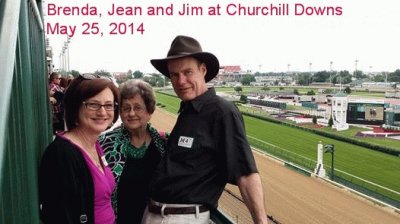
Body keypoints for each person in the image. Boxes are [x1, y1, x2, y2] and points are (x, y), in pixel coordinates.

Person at [142, 35, 268, 224]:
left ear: (203, 70)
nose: (181, 80)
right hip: (154, 214)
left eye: (187, 72)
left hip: (181, 217)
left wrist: (261, 222)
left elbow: (246, 172)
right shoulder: (187, 110)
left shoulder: (222, 112)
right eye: (174, 75)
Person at [39, 74, 120, 224]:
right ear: (76, 107)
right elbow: (59, 216)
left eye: (108, 105)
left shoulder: (94, 144)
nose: (103, 112)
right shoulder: (62, 154)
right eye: (93, 104)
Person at [98, 79, 168, 224]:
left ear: (149, 111)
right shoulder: (105, 143)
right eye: (126, 108)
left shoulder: (165, 144)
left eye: (137, 107)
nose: (131, 113)